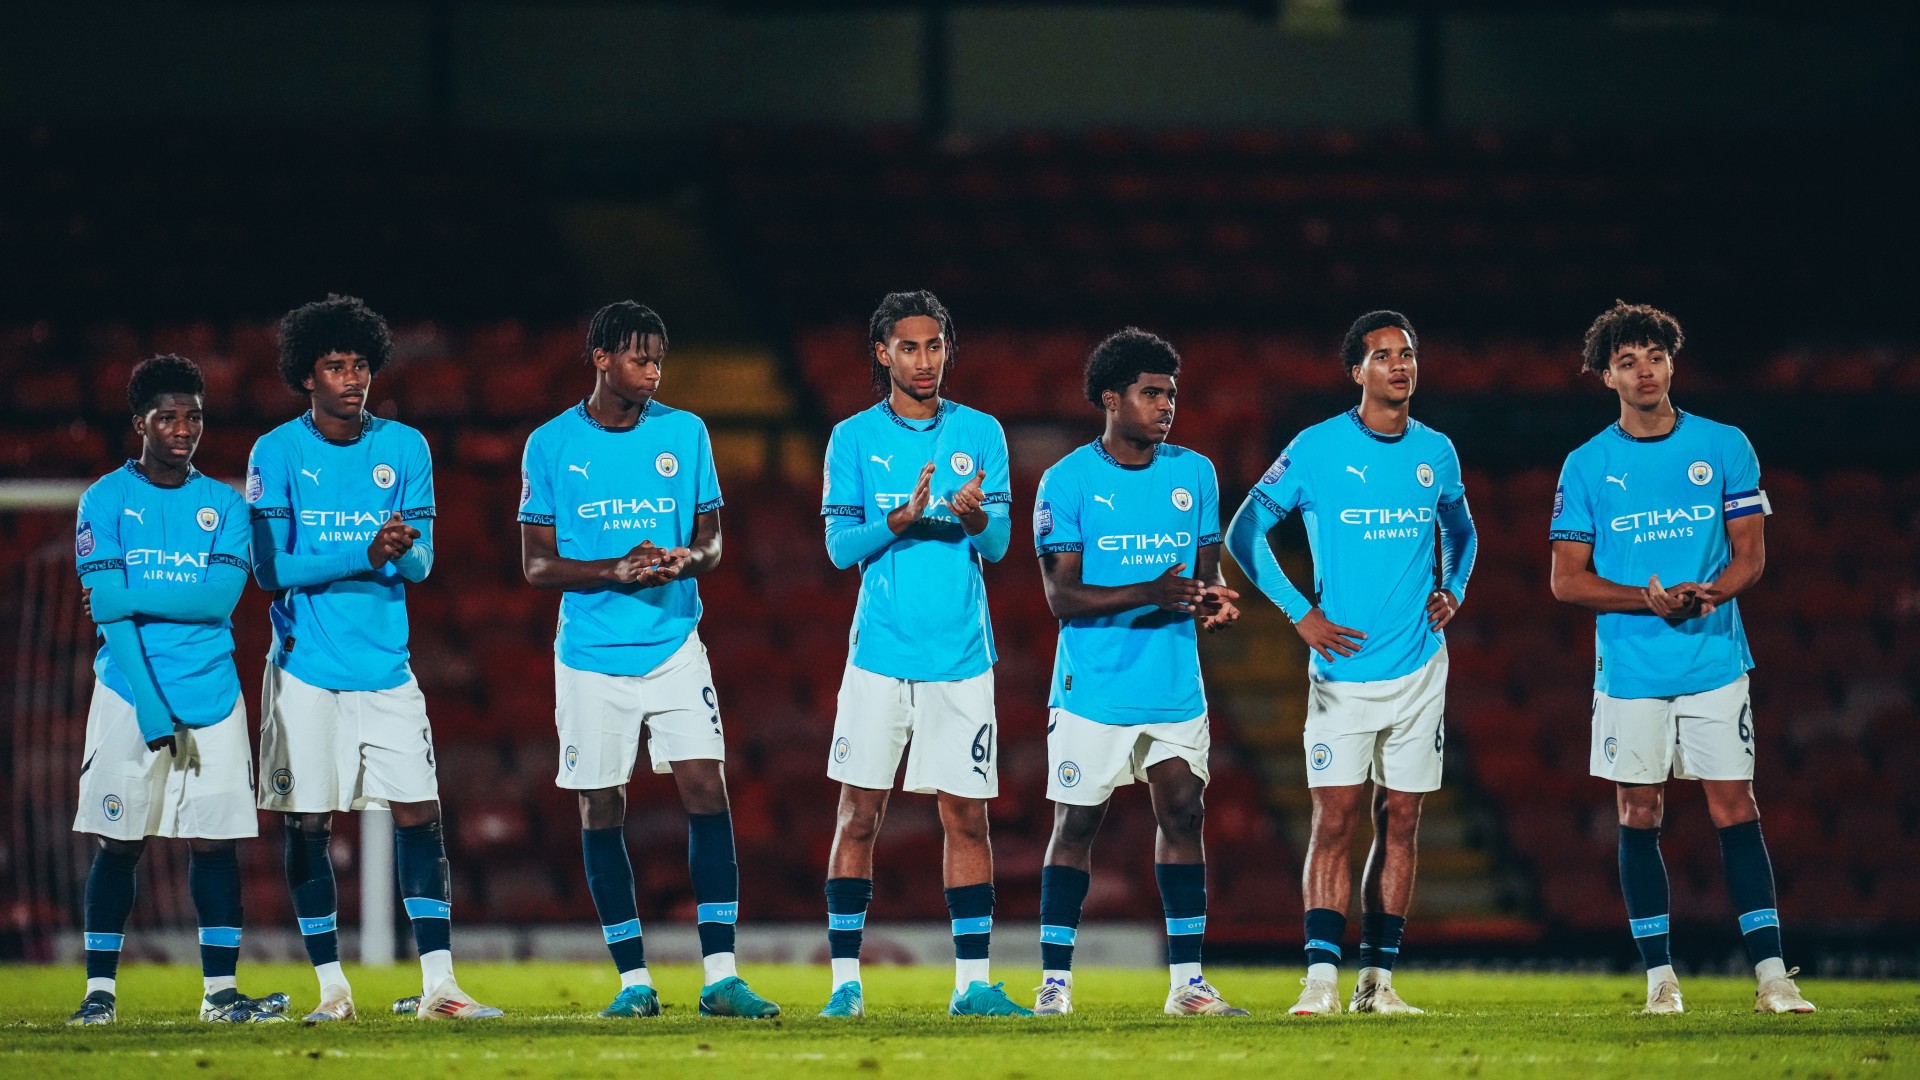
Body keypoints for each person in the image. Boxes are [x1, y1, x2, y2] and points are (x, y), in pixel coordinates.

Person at [1548, 300, 1813, 1015]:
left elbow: (1751, 557)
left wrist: (1706, 595)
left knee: (1735, 806)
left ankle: (1772, 976)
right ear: (1607, 375)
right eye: (1628, 361)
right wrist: (1649, 599)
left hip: (1714, 661)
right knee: (1638, 809)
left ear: (1672, 364)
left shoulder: (1725, 445)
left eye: (1656, 358)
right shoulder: (1588, 464)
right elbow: (1566, 579)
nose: (1645, 372)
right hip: (1630, 668)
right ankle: (1660, 981)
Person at [519, 301, 778, 1020]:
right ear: (601, 358)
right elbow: (538, 568)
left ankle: (721, 975)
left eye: (660, 359)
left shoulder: (685, 432)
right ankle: (634, 981)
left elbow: (713, 541)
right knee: (602, 805)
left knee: (706, 786)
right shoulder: (549, 445)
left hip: (673, 647)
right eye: (640, 358)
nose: (654, 372)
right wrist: (616, 571)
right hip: (591, 658)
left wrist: (686, 560)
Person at [249, 294, 497, 1021]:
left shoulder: (405, 448)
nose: (351, 379)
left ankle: (440, 987)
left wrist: (403, 547)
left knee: (421, 813)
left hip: (388, 670)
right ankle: (332, 990)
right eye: (334, 366)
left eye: (359, 365)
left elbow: (420, 566)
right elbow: (269, 568)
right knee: (308, 825)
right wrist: (363, 551)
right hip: (305, 672)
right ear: (306, 377)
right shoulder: (277, 452)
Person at [1225, 310, 1476, 1015]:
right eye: (1384, 355)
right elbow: (1243, 532)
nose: (1400, 365)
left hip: (1422, 668)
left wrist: (1452, 586)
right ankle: (1320, 982)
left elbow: (1461, 527)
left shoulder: (1439, 452)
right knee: (1334, 821)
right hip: (1343, 674)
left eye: (1408, 353)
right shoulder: (1316, 448)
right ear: (1355, 372)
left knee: (1403, 819)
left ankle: (1378, 983)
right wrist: (1299, 612)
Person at [816, 290, 1027, 1018]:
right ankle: (846, 983)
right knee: (858, 816)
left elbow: (998, 548)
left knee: (967, 820)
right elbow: (841, 548)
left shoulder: (983, 434)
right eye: (909, 347)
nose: (925, 360)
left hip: (962, 658)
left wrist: (972, 518)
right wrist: (897, 519)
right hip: (878, 656)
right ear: (882, 353)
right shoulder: (851, 439)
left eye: (935, 346)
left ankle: (972, 985)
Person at [1029, 328, 1247, 1018]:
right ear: (1111, 398)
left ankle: (1187, 983)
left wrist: (1212, 598)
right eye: (1152, 393)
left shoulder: (1196, 474)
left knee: (1184, 814)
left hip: (1173, 683)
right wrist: (1148, 593)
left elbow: (1206, 570)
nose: (1166, 406)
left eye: (1172, 394)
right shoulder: (1066, 481)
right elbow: (1062, 598)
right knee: (1078, 824)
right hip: (1093, 686)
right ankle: (1056, 982)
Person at [68, 355, 288, 1026]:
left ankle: (220, 994)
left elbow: (220, 597)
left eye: (193, 416)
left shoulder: (224, 503)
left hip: (214, 693)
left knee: (215, 844)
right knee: (120, 843)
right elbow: (117, 620)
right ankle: (99, 995)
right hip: (130, 695)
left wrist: (124, 593)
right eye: (168, 417)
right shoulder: (105, 499)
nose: (183, 429)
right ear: (141, 423)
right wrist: (153, 702)